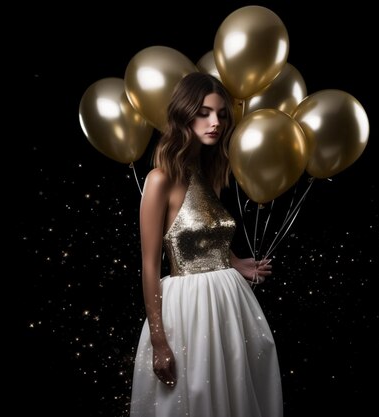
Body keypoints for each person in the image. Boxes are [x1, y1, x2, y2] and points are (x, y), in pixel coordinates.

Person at [129, 72, 283, 417]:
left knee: (235, 398)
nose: (215, 122)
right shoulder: (159, 179)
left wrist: (234, 261)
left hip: (227, 304)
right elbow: (151, 264)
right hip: (188, 310)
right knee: (192, 400)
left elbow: (201, 233)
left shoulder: (204, 170)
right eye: (204, 113)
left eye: (221, 114)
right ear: (184, 113)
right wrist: (158, 341)